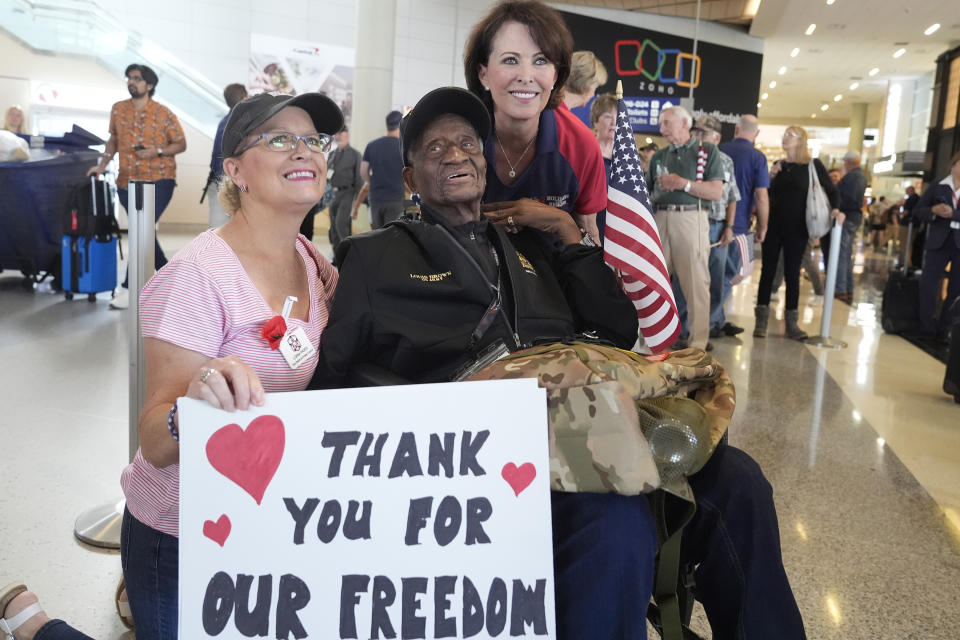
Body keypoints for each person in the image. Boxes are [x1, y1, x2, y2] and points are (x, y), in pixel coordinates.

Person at [313, 85, 807, 640]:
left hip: (587, 430)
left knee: (740, 482)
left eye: (468, 143)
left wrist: (570, 237)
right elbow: (333, 383)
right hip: (479, 464)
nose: (455, 155)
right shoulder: (376, 258)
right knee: (616, 523)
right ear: (410, 180)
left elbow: (616, 331)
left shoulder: (530, 243)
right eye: (433, 149)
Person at [118, 92, 342, 639]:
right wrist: (193, 404)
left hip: (263, 519)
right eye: (280, 139)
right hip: (180, 531)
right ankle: (36, 624)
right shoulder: (199, 275)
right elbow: (154, 439)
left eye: (313, 140)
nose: (304, 152)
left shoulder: (317, 268)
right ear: (235, 170)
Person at [463, 0, 603, 244]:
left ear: (556, 75)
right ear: (482, 72)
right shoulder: (456, 136)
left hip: (553, 279)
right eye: (510, 60)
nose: (526, 77)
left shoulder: (581, 145)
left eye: (540, 61)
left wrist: (561, 221)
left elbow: (589, 238)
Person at [87, 64, 187, 310]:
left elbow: (181, 143)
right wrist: (101, 167)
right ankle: (172, 280)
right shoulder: (118, 109)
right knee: (143, 231)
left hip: (159, 179)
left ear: (149, 85)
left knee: (142, 229)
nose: (131, 81)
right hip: (127, 180)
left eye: (137, 79)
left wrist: (158, 151)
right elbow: (113, 140)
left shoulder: (163, 113)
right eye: (129, 78)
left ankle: (130, 288)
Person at [647, 105, 723, 350]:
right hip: (660, 217)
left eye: (666, 123)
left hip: (691, 220)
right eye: (661, 124)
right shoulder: (659, 156)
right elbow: (647, 192)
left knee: (696, 284)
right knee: (651, 281)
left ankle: (698, 345)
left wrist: (683, 184)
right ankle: (647, 340)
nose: (661, 129)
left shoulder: (707, 151)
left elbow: (716, 191)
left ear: (684, 124)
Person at [754, 126, 841, 340]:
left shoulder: (813, 165)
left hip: (798, 228)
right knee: (768, 272)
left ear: (801, 140)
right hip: (773, 226)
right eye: (785, 134)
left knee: (793, 273)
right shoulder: (778, 166)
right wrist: (771, 177)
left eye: (790, 135)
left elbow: (831, 190)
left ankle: (792, 323)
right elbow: (766, 195)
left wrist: (837, 209)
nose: (785, 138)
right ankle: (761, 321)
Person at [690, 115, 741, 341]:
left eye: (704, 133)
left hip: (717, 227)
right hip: (692, 224)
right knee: (688, 280)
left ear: (717, 137)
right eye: (696, 132)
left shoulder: (726, 161)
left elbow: (732, 198)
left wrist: (729, 227)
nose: (699, 137)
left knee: (715, 281)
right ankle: (685, 329)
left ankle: (709, 327)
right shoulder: (687, 157)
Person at [718, 114, 769, 335]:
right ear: (756, 133)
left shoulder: (719, 150)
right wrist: (763, 226)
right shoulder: (757, 157)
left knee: (713, 273)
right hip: (738, 225)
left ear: (736, 129)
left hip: (713, 221)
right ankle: (714, 322)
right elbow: (761, 196)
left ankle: (713, 319)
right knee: (731, 273)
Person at [912, 149, 960, 339]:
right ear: (953, 165)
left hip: (958, 244)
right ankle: (926, 327)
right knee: (929, 284)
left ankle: (944, 328)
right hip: (937, 242)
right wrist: (934, 210)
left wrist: (954, 214)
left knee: (956, 288)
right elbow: (919, 210)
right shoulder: (938, 186)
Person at [821, 150, 866, 304]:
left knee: (841, 254)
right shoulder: (859, 176)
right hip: (852, 217)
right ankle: (847, 289)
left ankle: (840, 289)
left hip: (846, 218)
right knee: (845, 255)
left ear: (849, 161)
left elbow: (848, 199)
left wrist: (837, 208)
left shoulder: (853, 177)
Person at [205, 82, 248, 228]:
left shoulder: (224, 122)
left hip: (217, 180)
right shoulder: (243, 123)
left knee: (217, 228)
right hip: (230, 182)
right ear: (245, 97)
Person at [360, 110, 405, 228]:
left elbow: (363, 171)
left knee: (376, 234)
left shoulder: (372, 145)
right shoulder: (403, 147)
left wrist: (371, 181)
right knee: (392, 235)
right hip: (396, 198)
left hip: (375, 197)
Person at [326, 125, 363, 252]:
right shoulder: (332, 154)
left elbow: (359, 178)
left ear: (347, 134)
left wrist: (356, 199)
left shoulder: (355, 154)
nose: (337, 136)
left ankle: (349, 253)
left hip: (348, 193)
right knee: (333, 226)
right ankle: (338, 256)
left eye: (340, 133)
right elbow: (327, 175)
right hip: (333, 194)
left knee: (340, 223)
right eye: (336, 134)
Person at [589, 91, 617, 241]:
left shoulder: (626, 160)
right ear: (595, 121)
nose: (614, 122)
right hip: (590, 229)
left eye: (617, 117)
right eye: (608, 116)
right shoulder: (586, 154)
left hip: (618, 232)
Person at [563, 50, 607, 129]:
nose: (593, 95)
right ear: (586, 87)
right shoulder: (566, 124)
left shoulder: (548, 109)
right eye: (595, 88)